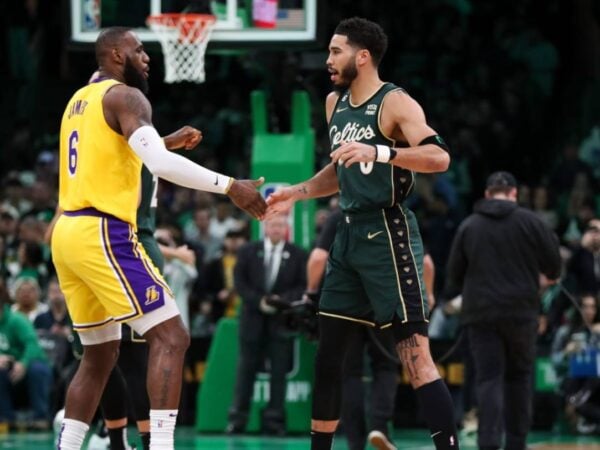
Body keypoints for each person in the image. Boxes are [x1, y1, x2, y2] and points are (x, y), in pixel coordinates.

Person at [51, 26, 266, 450]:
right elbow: (160, 166)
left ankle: (67, 446)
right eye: (138, 49)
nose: (147, 57)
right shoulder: (128, 97)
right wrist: (231, 186)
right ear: (115, 54)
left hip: (68, 232)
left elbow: (114, 155)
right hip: (104, 231)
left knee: (99, 355)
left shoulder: (79, 100)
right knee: (172, 337)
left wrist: (165, 142)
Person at [266, 17, 459, 450]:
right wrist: (295, 194)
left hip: (388, 232)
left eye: (336, 51)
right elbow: (338, 171)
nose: (328, 60)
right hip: (347, 234)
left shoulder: (395, 102)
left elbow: (438, 157)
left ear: (363, 56)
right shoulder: (335, 104)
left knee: (414, 355)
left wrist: (381, 150)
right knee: (329, 357)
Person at [446, 171, 561, 450]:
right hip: (522, 313)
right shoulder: (532, 222)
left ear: (487, 194)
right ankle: (516, 443)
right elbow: (554, 267)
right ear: (514, 194)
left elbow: (453, 276)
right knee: (519, 377)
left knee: (488, 378)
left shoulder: (469, 226)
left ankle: (488, 442)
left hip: (481, 314)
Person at [227, 213, 307, 435]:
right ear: (265, 227)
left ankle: (274, 421)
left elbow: (303, 286)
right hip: (252, 319)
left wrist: (280, 303)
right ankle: (237, 420)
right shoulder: (247, 252)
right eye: (273, 225)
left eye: (281, 225)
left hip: (281, 322)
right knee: (246, 371)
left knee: (279, 372)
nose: (276, 229)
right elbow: (239, 282)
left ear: (286, 228)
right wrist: (258, 301)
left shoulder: (299, 254)